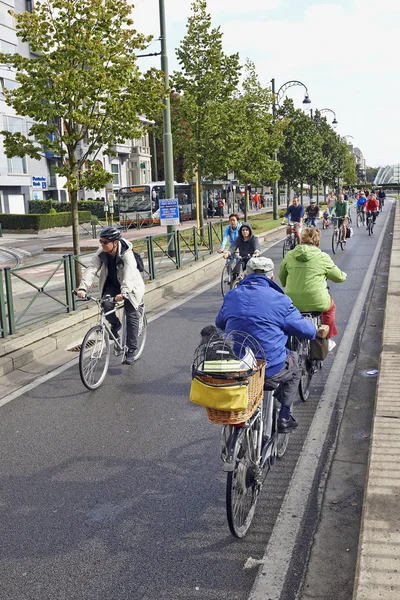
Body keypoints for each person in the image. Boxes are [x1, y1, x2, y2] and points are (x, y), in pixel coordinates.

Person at [216, 256, 316, 432]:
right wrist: (315, 329)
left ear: (246, 274)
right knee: (295, 366)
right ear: (271, 278)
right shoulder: (280, 300)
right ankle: (284, 416)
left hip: (237, 366)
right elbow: (307, 331)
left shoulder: (232, 295)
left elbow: (220, 323)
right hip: (269, 367)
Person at [77, 226, 145, 365]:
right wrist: (83, 287)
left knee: (131, 313)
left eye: (105, 242)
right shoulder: (102, 251)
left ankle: (131, 350)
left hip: (130, 286)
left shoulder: (126, 252)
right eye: (100, 241)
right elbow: (92, 268)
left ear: (115, 242)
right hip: (113, 284)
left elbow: (129, 272)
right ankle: (115, 324)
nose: (102, 244)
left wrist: (124, 292)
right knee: (106, 304)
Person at [279, 227, 347, 352]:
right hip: (317, 301)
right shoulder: (322, 256)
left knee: (287, 316)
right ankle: (328, 338)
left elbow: (281, 277)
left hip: (292, 301)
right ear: (318, 242)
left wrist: (285, 284)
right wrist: (343, 275)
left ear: (301, 240)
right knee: (330, 309)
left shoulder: (290, 255)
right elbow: (339, 277)